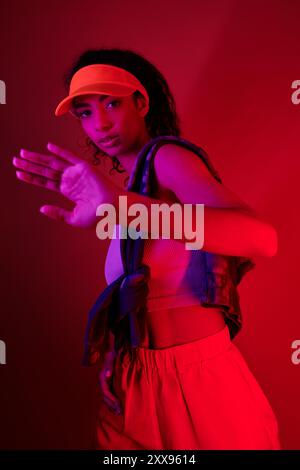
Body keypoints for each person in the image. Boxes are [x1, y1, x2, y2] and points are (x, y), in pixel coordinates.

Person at [12, 48, 281, 450]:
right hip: (133, 383)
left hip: (197, 387)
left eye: (112, 104)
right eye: (85, 112)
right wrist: (119, 355)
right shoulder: (131, 190)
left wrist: (121, 207)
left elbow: (261, 237)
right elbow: (148, 294)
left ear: (141, 102)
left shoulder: (167, 159)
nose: (100, 123)